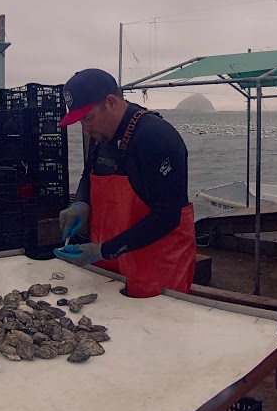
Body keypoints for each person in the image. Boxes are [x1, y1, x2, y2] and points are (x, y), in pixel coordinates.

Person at [56, 68, 196, 297]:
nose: (86, 128)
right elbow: (88, 175)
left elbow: (167, 216)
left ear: (111, 102)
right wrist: (81, 204)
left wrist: (104, 250)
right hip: (111, 260)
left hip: (157, 265)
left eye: (88, 118)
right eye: (81, 121)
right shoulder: (100, 135)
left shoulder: (157, 137)